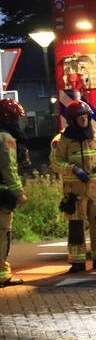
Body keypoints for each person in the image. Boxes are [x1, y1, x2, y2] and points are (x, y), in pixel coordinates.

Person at [49, 100, 96, 273]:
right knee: (76, 225)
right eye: (80, 117)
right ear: (71, 120)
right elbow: (55, 161)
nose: (84, 120)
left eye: (85, 116)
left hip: (95, 188)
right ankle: (77, 261)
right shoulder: (61, 140)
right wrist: (73, 169)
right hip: (74, 190)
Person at [0, 98, 28, 287]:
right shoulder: (5, 138)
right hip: (2, 194)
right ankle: (3, 274)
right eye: (16, 119)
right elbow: (8, 168)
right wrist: (19, 192)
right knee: (3, 233)